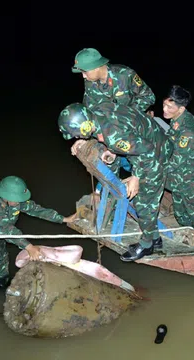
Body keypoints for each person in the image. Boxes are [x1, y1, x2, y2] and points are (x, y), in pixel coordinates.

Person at [58, 102, 171, 262]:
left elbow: (147, 151)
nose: (76, 137)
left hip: (156, 154)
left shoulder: (114, 137)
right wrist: (86, 140)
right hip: (148, 141)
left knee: (144, 203)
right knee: (142, 201)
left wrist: (136, 177)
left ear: (84, 127)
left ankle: (147, 245)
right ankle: (155, 238)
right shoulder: (96, 112)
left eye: (76, 134)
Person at [0, 176, 77, 296]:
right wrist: (29, 247)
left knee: (0, 271)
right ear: (5, 195)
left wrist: (63, 219)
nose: (18, 202)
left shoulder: (14, 200)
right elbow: (7, 230)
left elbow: (35, 209)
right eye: (16, 199)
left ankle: (0, 285)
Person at [162, 85, 194, 229]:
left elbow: (175, 161)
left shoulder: (187, 131)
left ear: (181, 109)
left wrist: (153, 168)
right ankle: (187, 232)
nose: (165, 110)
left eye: (169, 107)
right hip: (178, 177)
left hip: (191, 179)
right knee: (180, 212)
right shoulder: (176, 119)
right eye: (164, 104)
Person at [72, 48, 156, 114]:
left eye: (85, 71)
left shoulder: (126, 75)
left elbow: (149, 97)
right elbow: (89, 106)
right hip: (109, 126)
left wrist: (129, 113)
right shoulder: (89, 81)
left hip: (132, 121)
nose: (83, 76)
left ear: (96, 67)